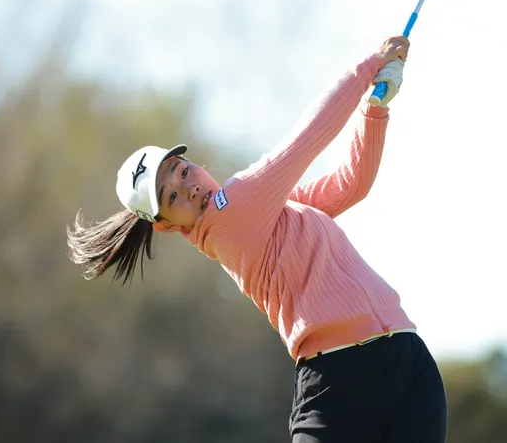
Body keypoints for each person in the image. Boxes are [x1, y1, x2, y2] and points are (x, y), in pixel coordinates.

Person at [67, 35, 447, 443]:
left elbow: (349, 186)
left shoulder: (262, 212)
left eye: (182, 171)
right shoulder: (234, 211)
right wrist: (368, 66)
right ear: (167, 225)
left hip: (406, 360)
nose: (188, 187)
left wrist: (374, 108)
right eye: (171, 197)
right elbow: (306, 139)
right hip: (341, 380)